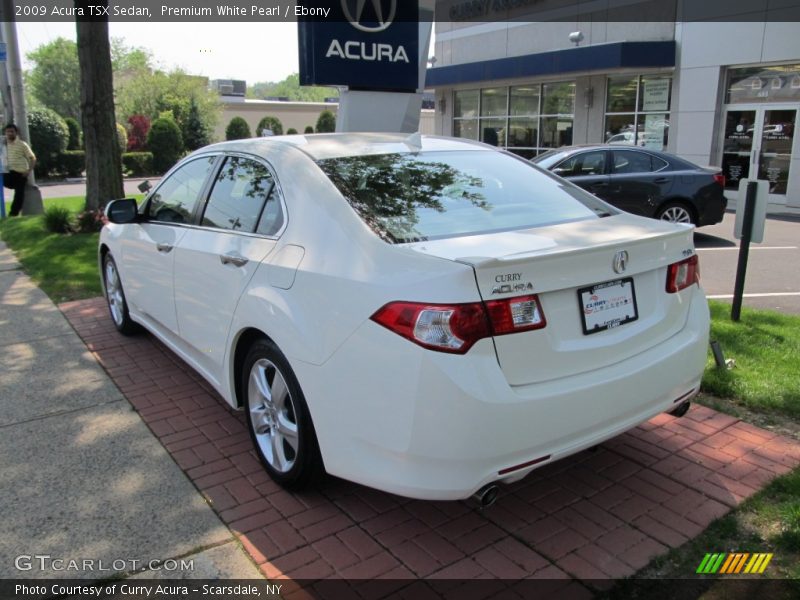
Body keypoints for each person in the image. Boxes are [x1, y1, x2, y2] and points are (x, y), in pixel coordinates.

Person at [3, 123, 36, 217]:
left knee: (19, 194)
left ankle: (13, 214)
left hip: (20, 174)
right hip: (8, 173)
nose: (10, 133)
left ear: (16, 132)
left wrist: (28, 171)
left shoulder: (22, 144)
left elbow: (33, 158)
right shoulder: (3, 145)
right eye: (8, 132)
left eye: (12, 131)